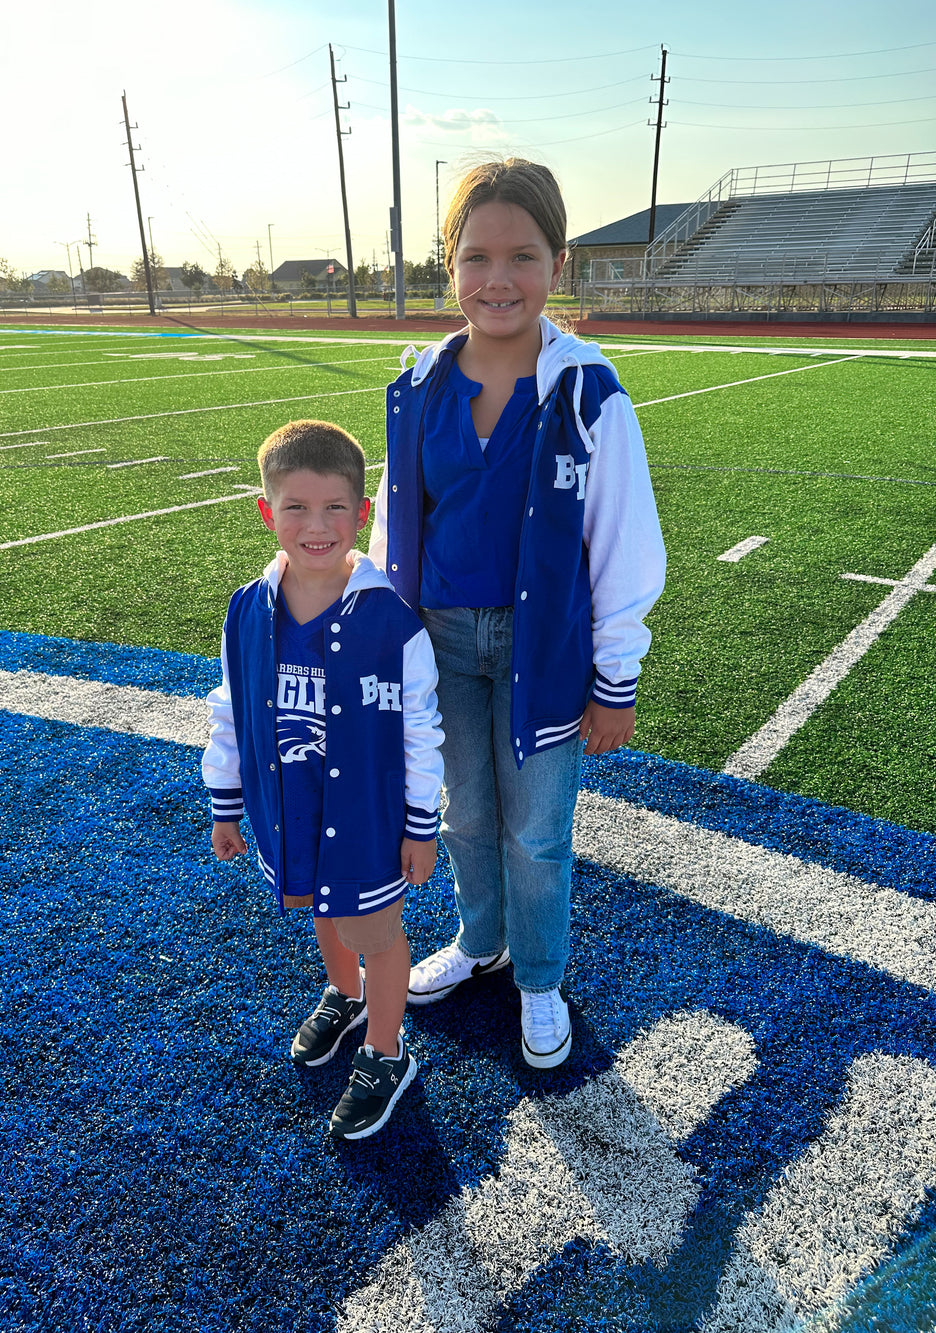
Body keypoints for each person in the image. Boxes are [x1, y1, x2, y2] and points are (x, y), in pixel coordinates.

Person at [369, 158, 665, 1069]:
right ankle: (481, 939)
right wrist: (380, 642)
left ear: (558, 263)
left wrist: (616, 677)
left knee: (537, 828)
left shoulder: (589, 391)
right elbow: (393, 528)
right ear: (449, 264)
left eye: (523, 256)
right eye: (477, 257)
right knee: (462, 813)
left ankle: (539, 976)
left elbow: (624, 543)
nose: (498, 279)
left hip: (546, 651)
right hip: (442, 642)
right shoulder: (420, 385)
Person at [203, 420, 444, 1140]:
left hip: (367, 820)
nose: (317, 526)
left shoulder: (392, 622)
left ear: (362, 513)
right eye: (297, 508)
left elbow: (421, 730)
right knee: (316, 905)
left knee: (376, 929)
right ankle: (346, 993)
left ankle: (387, 1050)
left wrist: (421, 825)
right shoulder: (247, 609)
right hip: (289, 809)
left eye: (335, 507)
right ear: (266, 511)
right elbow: (229, 707)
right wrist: (226, 805)